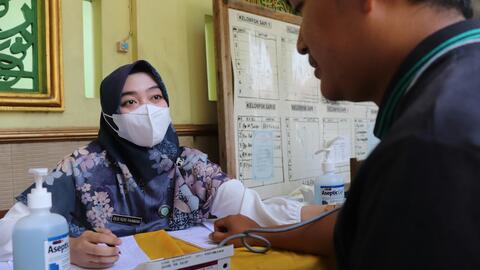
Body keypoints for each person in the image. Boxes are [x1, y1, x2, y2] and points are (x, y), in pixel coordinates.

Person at [210, 0, 480, 269]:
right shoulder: (458, 93)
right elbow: (370, 223)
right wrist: (260, 232)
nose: (300, 44)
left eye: (301, 9)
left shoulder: (430, 146)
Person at [0, 60, 323, 268]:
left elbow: (256, 211)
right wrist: (66, 248)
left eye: (156, 97)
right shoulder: (81, 167)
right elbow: (7, 237)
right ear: (111, 117)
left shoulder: (190, 165)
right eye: (130, 101)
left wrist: (327, 214)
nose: (147, 109)